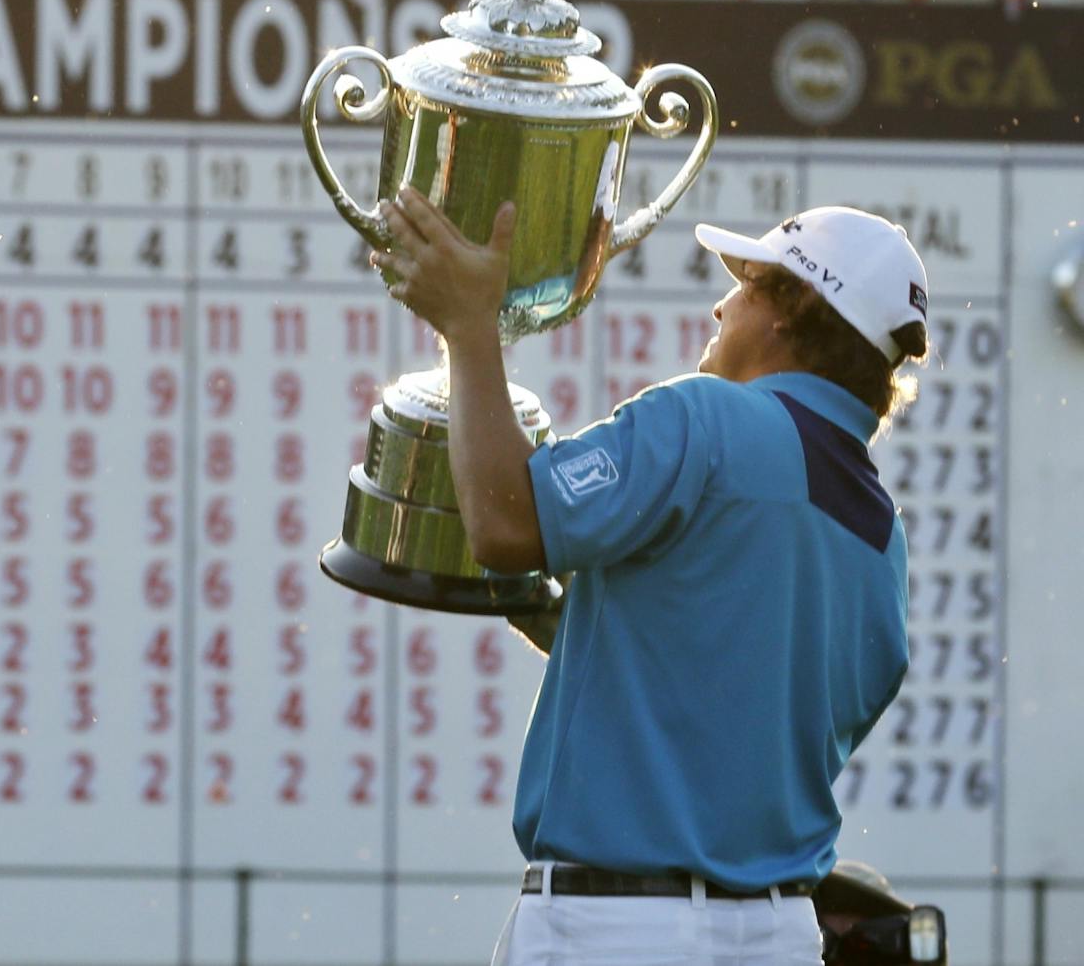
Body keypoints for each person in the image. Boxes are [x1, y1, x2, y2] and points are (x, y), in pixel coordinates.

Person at [369, 191, 930, 966]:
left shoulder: (708, 419)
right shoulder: (882, 537)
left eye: (747, 284)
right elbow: (729, 703)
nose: (721, 306)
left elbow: (504, 527)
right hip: (778, 937)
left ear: (789, 311)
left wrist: (468, 325)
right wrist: (571, 620)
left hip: (617, 930)